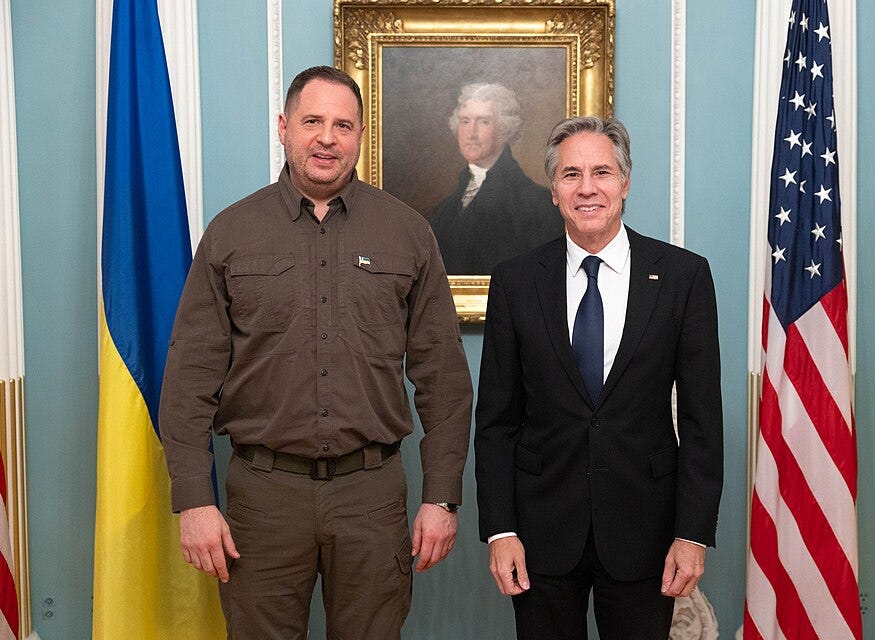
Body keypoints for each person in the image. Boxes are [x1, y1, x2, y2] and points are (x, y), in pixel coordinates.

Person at [159, 66, 473, 640]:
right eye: (312, 121)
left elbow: (444, 380)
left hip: (372, 496)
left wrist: (442, 497)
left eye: (343, 125)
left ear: (358, 137)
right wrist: (193, 501)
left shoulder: (408, 233)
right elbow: (188, 379)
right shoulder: (231, 233)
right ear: (283, 128)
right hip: (262, 499)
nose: (327, 137)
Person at [474, 116, 723, 640]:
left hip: (646, 532)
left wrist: (692, 534)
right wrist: (501, 530)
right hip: (539, 535)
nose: (587, 188)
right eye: (571, 175)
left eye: (602, 172)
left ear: (625, 183)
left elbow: (703, 421)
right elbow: (497, 422)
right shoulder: (517, 281)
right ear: (553, 190)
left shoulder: (683, 276)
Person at [430, 82, 564, 274]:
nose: (471, 133)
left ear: (505, 129)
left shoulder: (538, 205)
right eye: (465, 121)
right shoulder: (444, 209)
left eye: (483, 121)